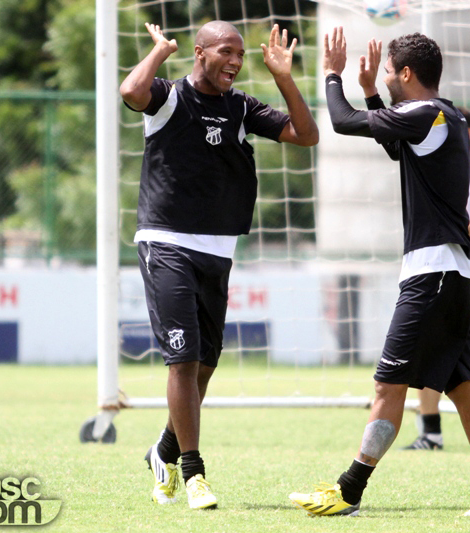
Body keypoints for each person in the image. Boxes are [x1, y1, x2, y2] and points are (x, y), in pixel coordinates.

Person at [289, 28, 470, 517]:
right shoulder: (444, 115)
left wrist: (333, 75)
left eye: (390, 70)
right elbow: (395, 145)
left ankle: (348, 492)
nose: (386, 75)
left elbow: (346, 122)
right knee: (465, 388)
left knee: (387, 386)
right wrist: (371, 87)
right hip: (453, 272)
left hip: (433, 273)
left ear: (408, 74)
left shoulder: (422, 113)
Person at [119, 21, 318, 510]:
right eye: (225, 52)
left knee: (206, 363)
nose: (234, 60)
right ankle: (193, 473)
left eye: (241, 54)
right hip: (165, 241)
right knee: (183, 360)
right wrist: (160, 53)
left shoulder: (243, 107)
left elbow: (306, 136)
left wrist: (284, 78)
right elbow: (130, 90)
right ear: (200, 51)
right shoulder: (167, 96)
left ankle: (162, 451)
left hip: (218, 250)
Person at [403, 107, 470, 451]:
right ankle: (429, 433)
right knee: (425, 350)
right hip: (433, 269)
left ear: (468, 134)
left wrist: (448, 224)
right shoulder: (432, 165)